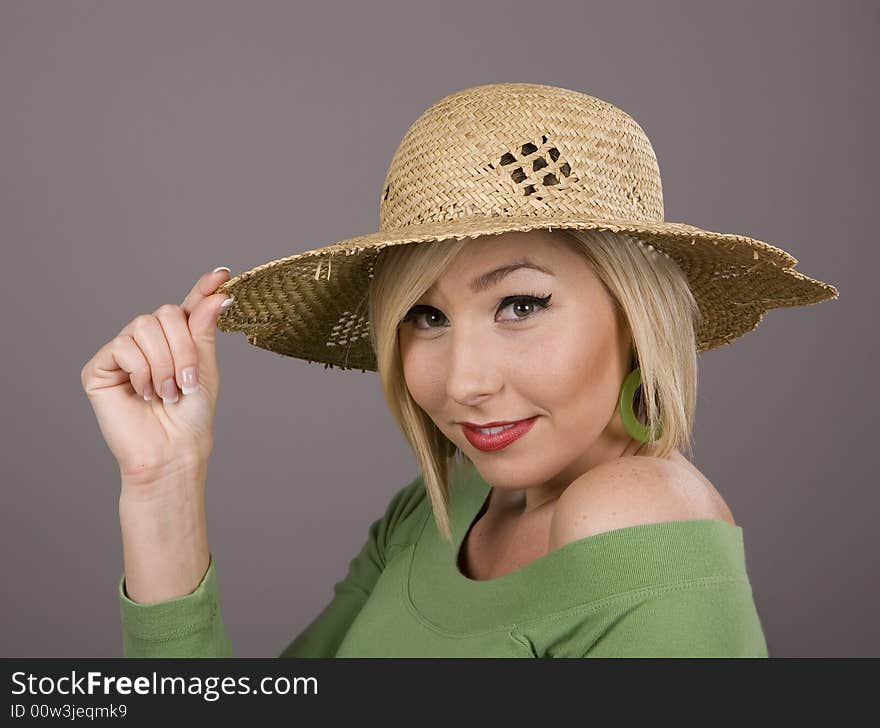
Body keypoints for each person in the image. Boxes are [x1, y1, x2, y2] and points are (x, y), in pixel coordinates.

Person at [80, 82, 838, 657]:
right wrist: (164, 483)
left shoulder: (635, 507)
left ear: (635, 317)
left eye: (519, 304)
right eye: (427, 317)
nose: (465, 383)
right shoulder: (438, 509)